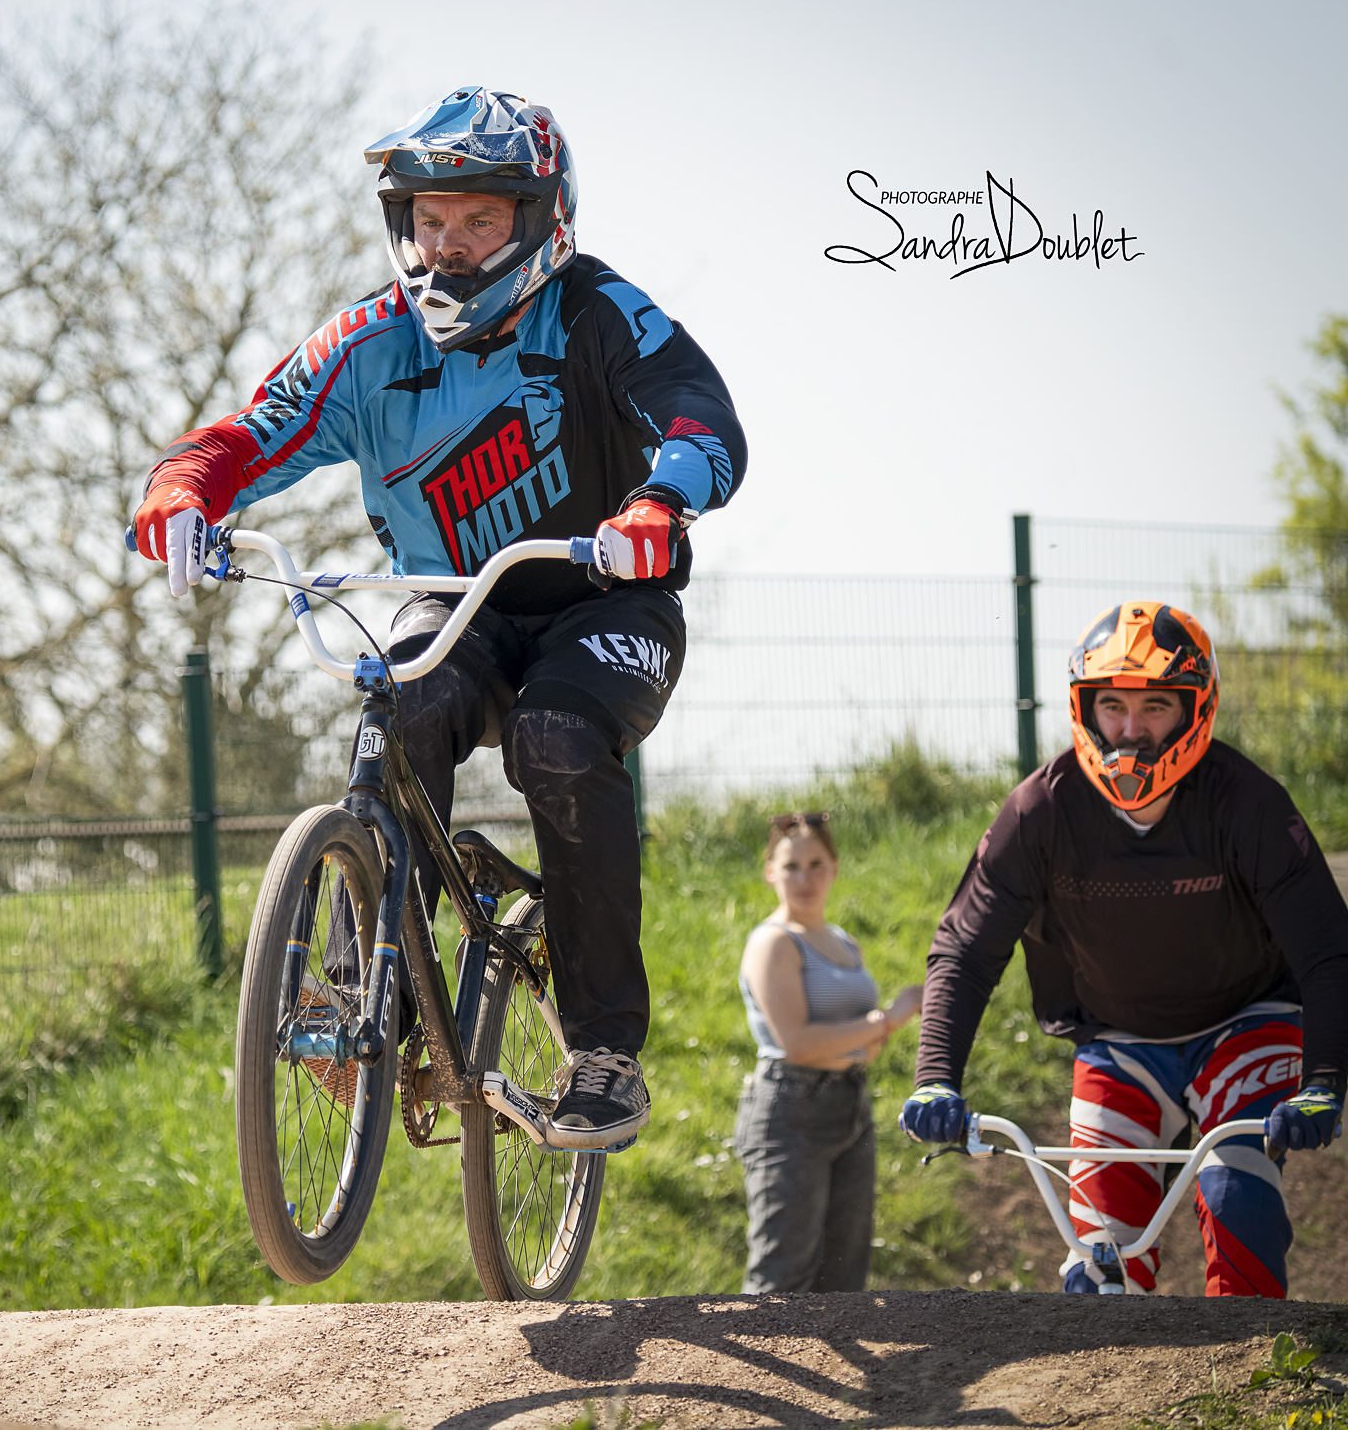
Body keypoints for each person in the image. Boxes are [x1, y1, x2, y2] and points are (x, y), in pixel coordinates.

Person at [132, 87, 747, 1149]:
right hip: (450, 603)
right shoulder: (367, 343)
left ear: (541, 216)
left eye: (478, 221)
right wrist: (181, 491)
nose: (448, 247)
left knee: (556, 739)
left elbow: (703, 418)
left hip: (604, 601)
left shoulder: (599, 312)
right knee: (400, 707)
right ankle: (359, 1004)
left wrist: (659, 501)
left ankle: (602, 1049)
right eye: (427, 220)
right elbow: (245, 436)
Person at [902, 601, 1348, 1296]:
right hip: (1117, 1038)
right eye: (1112, 706)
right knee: (1100, 1258)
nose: (1131, 732)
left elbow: (1327, 951)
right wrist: (936, 1075)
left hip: (1248, 1019)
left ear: (1196, 710)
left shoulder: (1249, 804)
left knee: (1238, 1198)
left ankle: (1256, 1388)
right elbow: (964, 947)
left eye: (1157, 708)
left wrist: (1323, 1083)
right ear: (1084, 708)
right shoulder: (1040, 812)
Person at [737, 811, 922, 1293]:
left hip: (850, 1107)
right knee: (782, 1279)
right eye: (792, 865)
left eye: (816, 864)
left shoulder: (845, 943)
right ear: (770, 872)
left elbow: (861, 1046)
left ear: (834, 869)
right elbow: (796, 1043)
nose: (804, 878)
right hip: (789, 1114)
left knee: (845, 1279)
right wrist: (888, 1019)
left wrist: (868, 1038)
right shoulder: (773, 942)